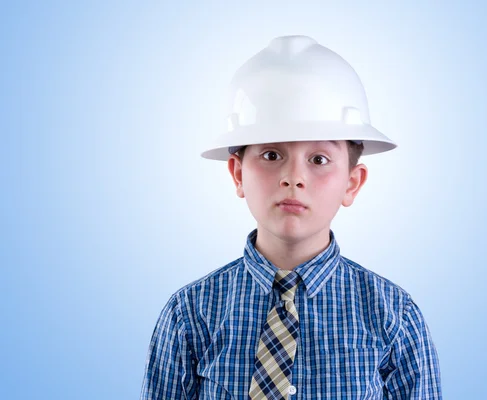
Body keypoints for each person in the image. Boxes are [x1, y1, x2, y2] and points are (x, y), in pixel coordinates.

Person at [140, 35, 442, 399]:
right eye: (271, 155)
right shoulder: (190, 315)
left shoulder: (393, 316)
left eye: (319, 160)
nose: (293, 177)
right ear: (237, 174)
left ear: (352, 182)